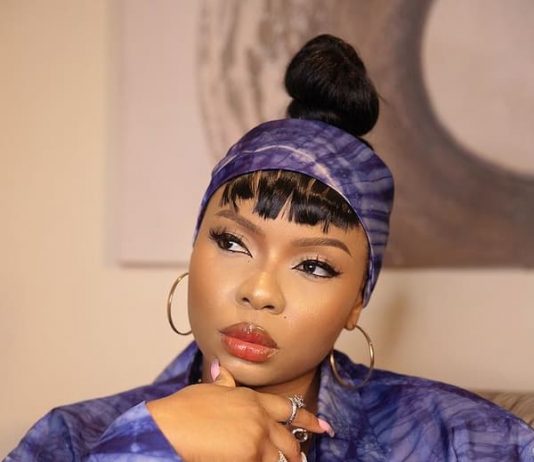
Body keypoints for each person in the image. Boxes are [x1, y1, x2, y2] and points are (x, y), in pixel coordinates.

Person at [5, 34, 534, 462]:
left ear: (357, 300)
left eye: (314, 265)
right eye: (232, 241)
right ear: (194, 249)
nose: (260, 292)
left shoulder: (463, 440)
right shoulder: (71, 440)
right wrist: (147, 447)